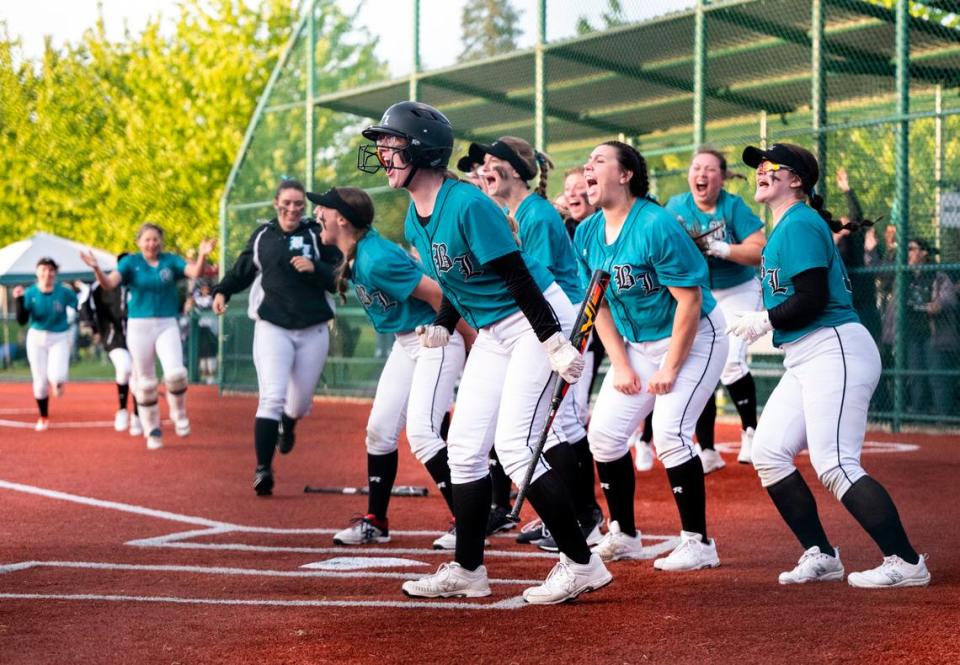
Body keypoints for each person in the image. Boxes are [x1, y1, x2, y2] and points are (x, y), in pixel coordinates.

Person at [359, 100, 611, 604]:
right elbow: (458, 280)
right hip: (497, 330)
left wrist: (555, 342)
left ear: (422, 149)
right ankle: (468, 570)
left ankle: (583, 563)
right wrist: (442, 323)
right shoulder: (415, 217)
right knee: (465, 450)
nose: (383, 154)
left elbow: (517, 276)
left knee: (516, 445)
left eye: (391, 144)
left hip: (534, 318)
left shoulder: (468, 204)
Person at [728, 142, 929, 588]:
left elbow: (812, 299)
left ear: (796, 180)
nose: (761, 170)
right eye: (757, 166)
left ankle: (906, 561)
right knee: (769, 454)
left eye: (770, 165)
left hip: (832, 347)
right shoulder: (788, 225)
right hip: (807, 355)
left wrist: (763, 319)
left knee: (835, 462)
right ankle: (821, 554)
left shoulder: (798, 222)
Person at [574, 140, 728, 570]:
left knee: (670, 431)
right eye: (588, 163)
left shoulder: (655, 224)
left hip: (696, 337)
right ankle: (624, 534)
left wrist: (670, 369)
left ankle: (698, 542)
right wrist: (621, 364)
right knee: (603, 436)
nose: (588, 168)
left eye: (599, 161)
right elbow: (598, 303)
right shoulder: (587, 231)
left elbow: (690, 302)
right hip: (639, 344)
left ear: (625, 175)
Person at [315, 185, 472, 550]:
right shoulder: (359, 253)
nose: (317, 215)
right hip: (407, 341)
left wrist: (471, 340)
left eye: (323, 210)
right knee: (380, 430)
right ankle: (377, 521)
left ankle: (468, 522)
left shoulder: (376, 258)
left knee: (423, 433)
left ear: (342, 219)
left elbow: (439, 294)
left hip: (436, 337)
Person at [465, 136, 603, 552]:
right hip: (541, 322)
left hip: (561, 319)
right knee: (552, 425)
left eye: (491, 162)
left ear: (514, 170)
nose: (482, 170)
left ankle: (585, 516)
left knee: (561, 423)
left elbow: (536, 282)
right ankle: (575, 515)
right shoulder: (513, 211)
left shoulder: (536, 215)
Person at [211, 179, 341, 495]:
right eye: (287, 203)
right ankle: (263, 469)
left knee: (298, 403)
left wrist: (316, 268)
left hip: (312, 328)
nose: (293, 209)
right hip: (272, 327)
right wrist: (222, 291)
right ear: (276, 204)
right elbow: (242, 269)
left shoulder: (316, 233)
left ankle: (290, 422)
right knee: (271, 397)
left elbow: (339, 276)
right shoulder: (263, 237)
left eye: (299, 203)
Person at [665, 146, 766, 471]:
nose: (702, 174)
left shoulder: (733, 206)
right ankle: (707, 449)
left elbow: (759, 250)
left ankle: (751, 431)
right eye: (697, 168)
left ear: (722, 177)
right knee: (700, 364)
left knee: (732, 363)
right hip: (700, 294)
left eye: (710, 169)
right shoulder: (676, 207)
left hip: (737, 288)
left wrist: (720, 247)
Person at [82, 224, 214, 451]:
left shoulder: (170, 260)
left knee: (176, 374)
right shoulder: (130, 263)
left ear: (161, 241)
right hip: (139, 326)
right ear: (139, 242)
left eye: (155, 239)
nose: (152, 244)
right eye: (147, 240)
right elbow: (109, 283)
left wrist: (202, 255)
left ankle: (179, 413)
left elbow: (195, 272)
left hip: (166, 323)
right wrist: (96, 269)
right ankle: (152, 428)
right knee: (145, 381)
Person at [80, 253, 142, 435]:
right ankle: (122, 409)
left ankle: (137, 416)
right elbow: (86, 304)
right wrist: (94, 329)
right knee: (124, 368)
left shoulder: (140, 284)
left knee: (138, 378)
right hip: (114, 337)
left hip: (139, 335)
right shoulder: (103, 285)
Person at [13, 257, 78, 431]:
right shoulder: (30, 293)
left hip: (59, 336)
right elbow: (21, 320)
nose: (47, 273)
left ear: (55, 273)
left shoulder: (64, 292)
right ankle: (43, 416)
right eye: (43, 269)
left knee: (57, 376)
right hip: (37, 337)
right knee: (40, 382)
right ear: (37, 272)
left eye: (51, 270)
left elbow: (79, 305)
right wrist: (18, 300)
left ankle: (58, 383)